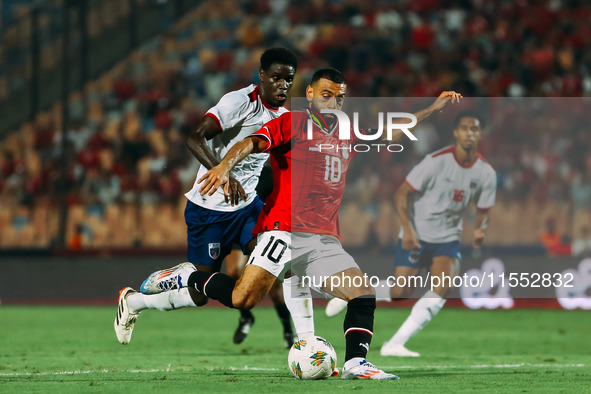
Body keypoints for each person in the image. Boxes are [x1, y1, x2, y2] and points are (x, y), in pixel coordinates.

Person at [143, 68, 461, 379]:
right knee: (243, 299)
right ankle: (190, 276)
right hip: (282, 230)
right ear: (309, 94)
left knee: (362, 293)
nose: (334, 102)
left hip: (323, 237)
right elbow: (252, 142)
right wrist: (225, 166)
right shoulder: (293, 122)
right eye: (326, 94)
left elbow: (392, 129)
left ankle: (356, 364)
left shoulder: (348, 128)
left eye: (340, 97)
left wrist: (434, 108)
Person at [114, 47, 313, 348]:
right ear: (262, 76)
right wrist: (222, 172)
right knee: (199, 296)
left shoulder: (285, 118)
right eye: (276, 78)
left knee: (281, 260)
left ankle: (304, 341)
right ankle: (135, 302)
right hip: (209, 210)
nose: (283, 85)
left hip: (248, 208)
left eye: (288, 79)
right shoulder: (239, 102)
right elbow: (194, 136)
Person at [325, 110, 496, 358]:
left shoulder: (486, 173)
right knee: (400, 292)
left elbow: (483, 209)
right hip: (417, 231)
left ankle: (395, 344)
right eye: (465, 128)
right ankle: (356, 292)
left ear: (480, 134)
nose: (470, 133)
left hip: (448, 238)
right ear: (456, 132)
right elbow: (402, 193)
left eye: (475, 128)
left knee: (442, 287)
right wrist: (408, 230)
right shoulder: (436, 161)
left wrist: (480, 228)